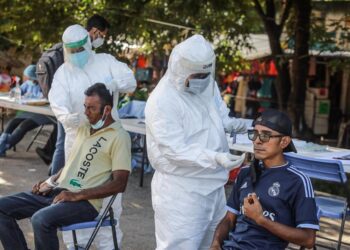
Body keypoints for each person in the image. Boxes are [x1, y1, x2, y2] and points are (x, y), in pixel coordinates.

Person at [145, 34, 247, 250]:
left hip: (214, 185)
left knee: (215, 244)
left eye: (205, 73)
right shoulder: (163, 100)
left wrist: (228, 124)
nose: (202, 79)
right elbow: (174, 150)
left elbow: (216, 112)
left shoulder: (207, 84)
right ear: (179, 69)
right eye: (197, 74)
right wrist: (216, 157)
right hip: (181, 190)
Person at [0, 83, 131, 250]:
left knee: (40, 220)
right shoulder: (85, 128)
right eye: (85, 107)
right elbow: (72, 163)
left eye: (91, 108)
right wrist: (51, 182)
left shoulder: (120, 137)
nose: (86, 112)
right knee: (2, 208)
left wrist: (77, 195)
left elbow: (120, 183)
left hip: (85, 203)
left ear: (106, 110)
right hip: (60, 192)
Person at [48, 24, 136, 249]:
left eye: (80, 49)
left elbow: (130, 81)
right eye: (72, 51)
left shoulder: (106, 61)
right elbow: (57, 104)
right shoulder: (63, 73)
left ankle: (109, 245)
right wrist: (69, 118)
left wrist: (115, 83)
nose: (77, 55)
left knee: (109, 202)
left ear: (88, 44)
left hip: (109, 142)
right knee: (75, 197)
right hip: (78, 143)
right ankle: (77, 245)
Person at [210, 109, 319, 250]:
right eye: (254, 134)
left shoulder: (297, 181)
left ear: (284, 142)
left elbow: (308, 240)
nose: (257, 141)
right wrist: (216, 243)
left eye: (265, 136)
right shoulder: (246, 173)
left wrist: (261, 220)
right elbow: (229, 219)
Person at [36, 14, 111, 175]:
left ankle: (57, 178)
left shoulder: (82, 47)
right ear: (95, 31)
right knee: (64, 141)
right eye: (102, 35)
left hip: (74, 105)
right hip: (71, 106)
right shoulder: (77, 46)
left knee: (64, 142)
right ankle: (55, 180)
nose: (102, 39)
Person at [0, 65, 55, 157]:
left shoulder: (43, 86)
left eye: (26, 76)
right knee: (12, 123)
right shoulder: (27, 84)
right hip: (29, 111)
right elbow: (17, 92)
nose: (25, 78)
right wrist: (13, 90)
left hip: (43, 113)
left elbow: (46, 100)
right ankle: (2, 144)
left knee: (23, 126)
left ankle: (5, 145)